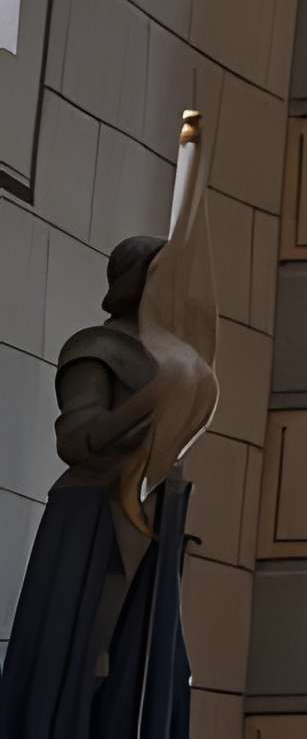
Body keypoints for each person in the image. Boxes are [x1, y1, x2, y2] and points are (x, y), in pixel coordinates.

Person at [1, 111, 215, 739]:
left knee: (153, 669)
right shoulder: (97, 347)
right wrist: (150, 404)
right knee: (83, 663)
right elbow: (78, 439)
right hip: (95, 516)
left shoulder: (178, 362)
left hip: (152, 521)